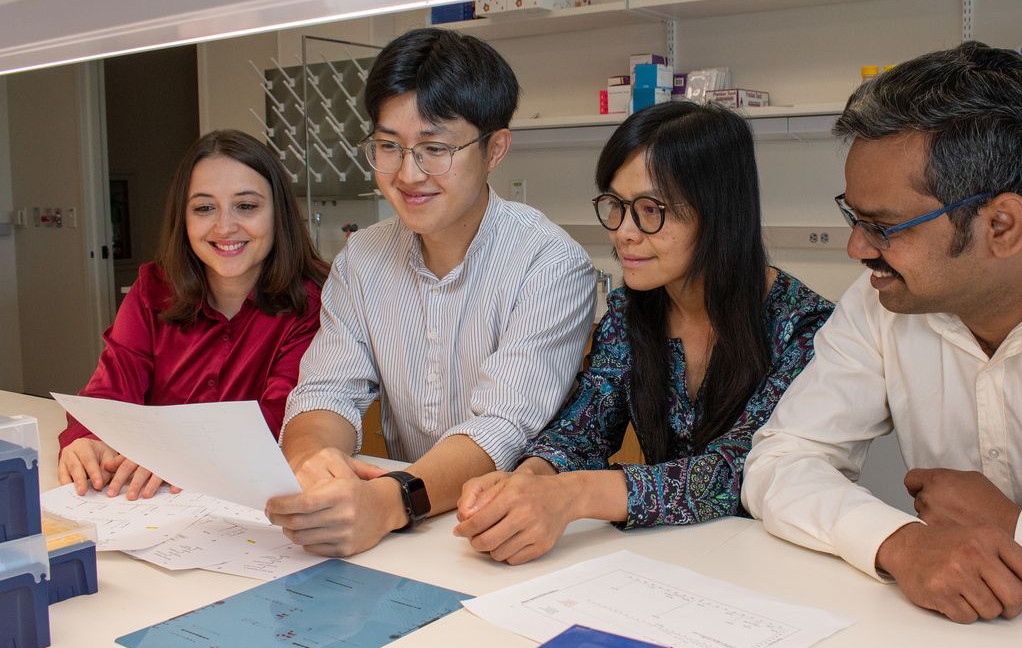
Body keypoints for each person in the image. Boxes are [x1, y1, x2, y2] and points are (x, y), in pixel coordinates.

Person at [743, 41, 1022, 622]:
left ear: (1002, 225)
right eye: (853, 218)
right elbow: (782, 458)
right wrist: (899, 543)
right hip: (961, 645)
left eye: (883, 226)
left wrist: (1018, 528)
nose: (858, 248)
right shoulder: (882, 304)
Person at [453, 102, 834, 564]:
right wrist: (532, 476)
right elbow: (585, 426)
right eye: (615, 206)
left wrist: (573, 494)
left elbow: (738, 474)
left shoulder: (805, 327)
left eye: (651, 210)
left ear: (719, 214)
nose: (624, 233)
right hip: (665, 561)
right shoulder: (631, 311)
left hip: (777, 565)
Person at [266, 28, 595, 557]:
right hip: (400, 530)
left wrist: (391, 502)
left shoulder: (549, 263)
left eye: (435, 148)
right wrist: (314, 461)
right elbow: (325, 392)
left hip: (512, 537)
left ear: (496, 149)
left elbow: (503, 426)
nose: (407, 174)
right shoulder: (362, 260)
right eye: (388, 147)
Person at [57, 129, 327, 499]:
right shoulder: (152, 287)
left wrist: (165, 453)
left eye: (246, 206)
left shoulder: (314, 301)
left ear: (277, 214)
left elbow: (280, 422)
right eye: (204, 208)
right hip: (151, 503)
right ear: (183, 219)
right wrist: (86, 439)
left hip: (256, 503)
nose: (224, 226)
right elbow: (110, 391)